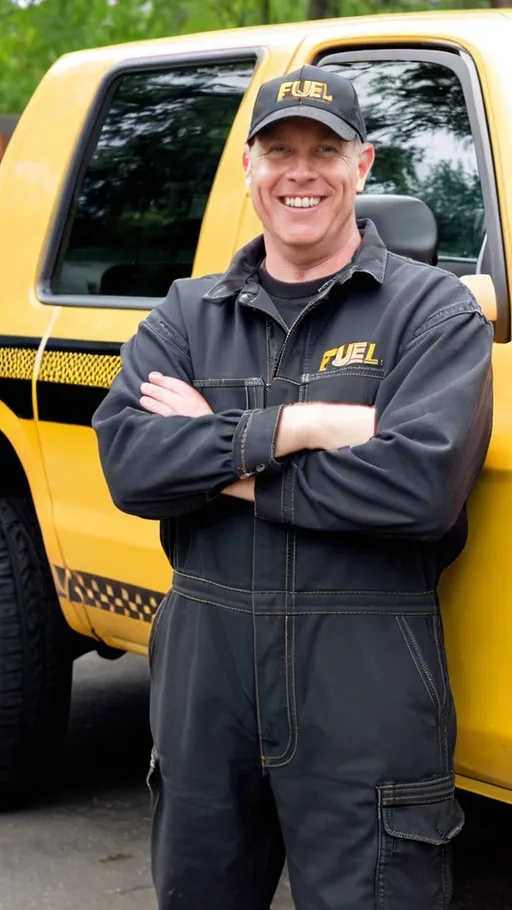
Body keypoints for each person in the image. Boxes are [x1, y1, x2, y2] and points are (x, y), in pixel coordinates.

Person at [92, 64, 493, 910]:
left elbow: (417, 492)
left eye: (325, 150)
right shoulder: (185, 314)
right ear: (248, 168)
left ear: (364, 165)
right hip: (205, 671)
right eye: (279, 151)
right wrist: (300, 429)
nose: (300, 172)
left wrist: (213, 456)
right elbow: (131, 463)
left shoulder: (432, 314)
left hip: (366, 671)